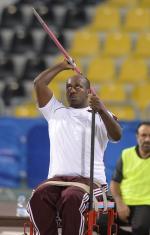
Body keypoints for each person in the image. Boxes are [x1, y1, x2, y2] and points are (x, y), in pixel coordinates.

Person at [27, 60, 122, 235]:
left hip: (90, 182)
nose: (71, 89)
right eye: (68, 87)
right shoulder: (55, 112)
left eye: (77, 87)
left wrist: (101, 110)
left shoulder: (101, 115)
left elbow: (117, 136)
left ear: (88, 91)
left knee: (71, 197)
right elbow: (39, 83)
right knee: (37, 197)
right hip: (57, 180)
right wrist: (61, 66)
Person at [110, 122, 150, 235]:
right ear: (137, 136)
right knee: (101, 222)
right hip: (123, 201)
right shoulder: (126, 154)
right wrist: (119, 202)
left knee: (141, 227)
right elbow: (114, 183)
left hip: (146, 204)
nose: (147, 139)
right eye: (144, 135)